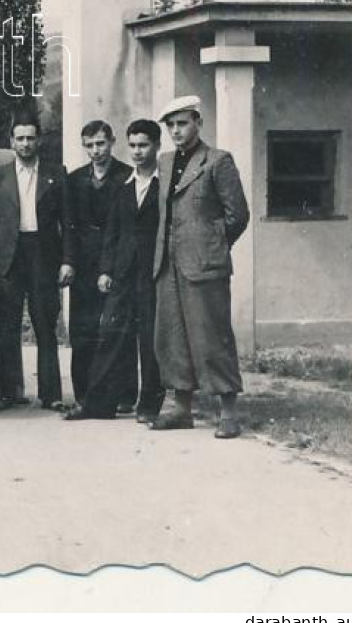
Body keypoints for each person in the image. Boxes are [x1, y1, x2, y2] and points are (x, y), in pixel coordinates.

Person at [151, 96, 250, 439]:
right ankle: (181, 408)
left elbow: (238, 215)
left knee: (212, 336)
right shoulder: (164, 162)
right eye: (171, 125)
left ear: (198, 123)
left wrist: (211, 244)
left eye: (183, 123)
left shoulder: (218, 161)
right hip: (168, 264)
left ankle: (228, 412)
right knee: (172, 337)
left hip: (204, 265)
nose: (176, 131)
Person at [65, 119, 165, 423]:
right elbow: (113, 231)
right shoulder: (126, 186)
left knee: (149, 338)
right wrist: (106, 269)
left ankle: (148, 405)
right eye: (133, 145)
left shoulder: (163, 185)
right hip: (122, 272)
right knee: (110, 333)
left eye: (143, 145)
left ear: (157, 146)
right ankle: (98, 404)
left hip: (153, 271)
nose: (137, 151)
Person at [0, 111, 73, 410]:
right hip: (8, 255)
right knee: (6, 326)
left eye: (30, 138)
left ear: (39, 140)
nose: (25, 144)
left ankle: (52, 395)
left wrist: (66, 260)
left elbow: (68, 220)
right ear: (11, 141)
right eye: (19, 138)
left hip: (43, 254)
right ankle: (7, 392)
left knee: (45, 323)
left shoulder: (55, 172)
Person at [63, 121, 133, 409]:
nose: (96, 151)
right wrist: (68, 261)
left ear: (112, 142)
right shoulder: (75, 178)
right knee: (83, 329)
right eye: (90, 145)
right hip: (83, 263)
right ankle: (85, 393)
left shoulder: (127, 176)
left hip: (117, 258)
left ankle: (125, 396)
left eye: (101, 144)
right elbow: (68, 225)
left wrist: (116, 264)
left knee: (119, 328)